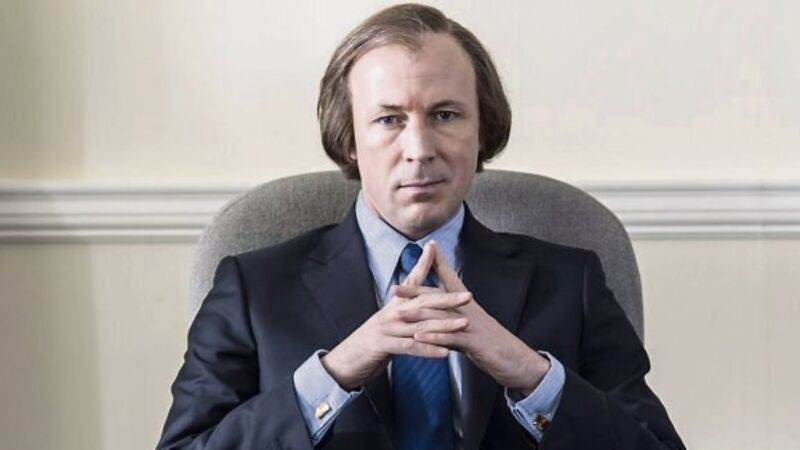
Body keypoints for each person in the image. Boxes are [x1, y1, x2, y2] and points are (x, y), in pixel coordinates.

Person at [158, 4, 684, 449]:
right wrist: (334, 373)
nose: (419, 149)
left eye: (445, 115)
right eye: (389, 119)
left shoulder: (571, 282)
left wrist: (530, 373)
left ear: (483, 129)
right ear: (349, 138)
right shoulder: (253, 289)